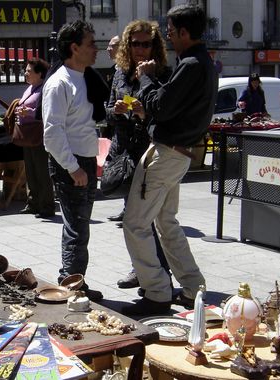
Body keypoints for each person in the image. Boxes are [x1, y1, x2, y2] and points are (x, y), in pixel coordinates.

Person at [122, 4, 218, 314]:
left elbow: (162, 106)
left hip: (167, 154)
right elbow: (171, 107)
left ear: (186, 33)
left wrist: (147, 78)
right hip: (177, 153)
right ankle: (192, 287)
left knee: (135, 223)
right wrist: (146, 109)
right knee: (166, 222)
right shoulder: (200, 62)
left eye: (172, 32)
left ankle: (157, 291)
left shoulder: (191, 64)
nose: (169, 36)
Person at [106, 20, 172, 289]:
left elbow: (165, 114)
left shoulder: (162, 73)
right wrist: (118, 111)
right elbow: (108, 110)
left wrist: (143, 114)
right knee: (135, 218)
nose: (140, 49)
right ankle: (146, 269)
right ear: (127, 45)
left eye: (146, 44)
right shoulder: (121, 72)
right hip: (126, 152)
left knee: (144, 218)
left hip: (151, 151)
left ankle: (155, 273)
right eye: (135, 44)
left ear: (154, 45)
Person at [42, 20, 103, 301]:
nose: (96, 49)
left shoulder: (85, 77)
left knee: (80, 227)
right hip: (73, 164)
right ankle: (72, 286)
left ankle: (73, 281)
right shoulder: (59, 83)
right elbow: (52, 133)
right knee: (77, 229)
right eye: (91, 43)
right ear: (74, 47)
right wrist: (73, 167)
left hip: (85, 161)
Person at [17, 58, 55, 218]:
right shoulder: (30, 88)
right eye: (25, 70)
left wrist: (29, 112)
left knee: (41, 172)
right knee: (31, 171)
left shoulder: (44, 90)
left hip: (38, 136)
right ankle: (33, 202)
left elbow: (46, 111)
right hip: (27, 135)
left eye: (29, 71)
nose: (25, 73)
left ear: (40, 74)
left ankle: (47, 206)